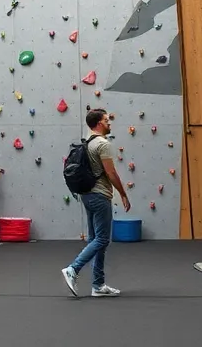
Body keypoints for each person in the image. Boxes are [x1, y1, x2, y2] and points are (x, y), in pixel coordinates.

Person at [61, 109, 129, 298]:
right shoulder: (102, 144)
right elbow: (111, 172)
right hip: (100, 196)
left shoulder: (87, 143)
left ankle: (98, 285)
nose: (109, 123)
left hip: (87, 195)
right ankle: (73, 269)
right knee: (102, 239)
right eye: (107, 120)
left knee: (96, 241)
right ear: (99, 123)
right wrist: (123, 194)